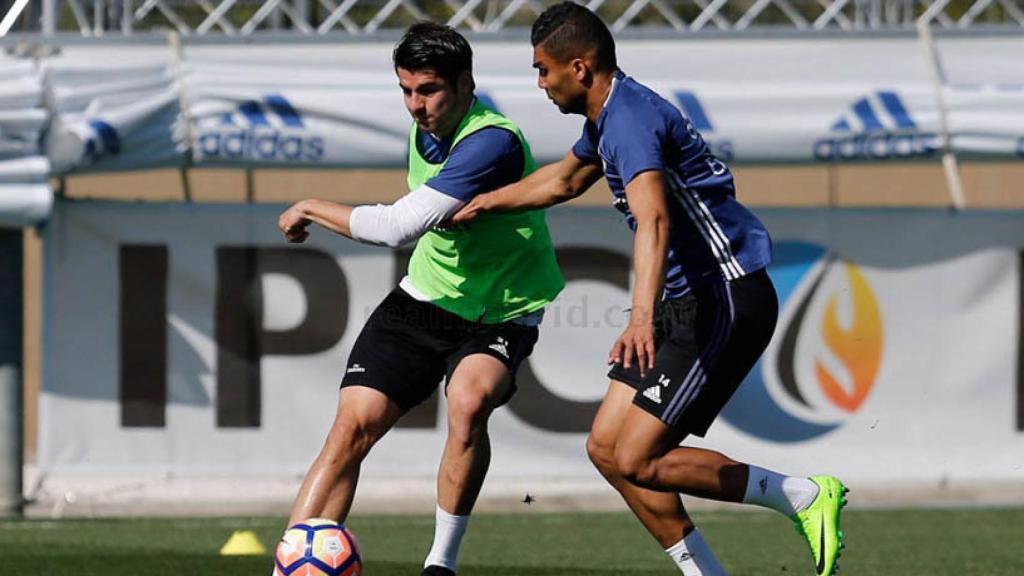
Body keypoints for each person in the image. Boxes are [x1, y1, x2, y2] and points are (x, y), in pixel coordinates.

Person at [451, 3, 847, 575]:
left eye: (543, 69)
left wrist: (640, 320)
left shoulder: (630, 122)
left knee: (639, 457)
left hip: (723, 297)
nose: (540, 83)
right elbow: (563, 180)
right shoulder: (609, 117)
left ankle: (800, 495)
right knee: (607, 449)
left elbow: (654, 220)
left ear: (580, 68)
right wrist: (486, 202)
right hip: (688, 299)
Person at [276, 22, 564, 576]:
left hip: (500, 309)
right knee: (351, 428)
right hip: (425, 295)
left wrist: (310, 206)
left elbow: (395, 227)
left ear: (465, 84)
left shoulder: (491, 142)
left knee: (469, 403)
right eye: (406, 90)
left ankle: (440, 564)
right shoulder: (425, 127)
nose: (415, 104)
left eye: (428, 90)